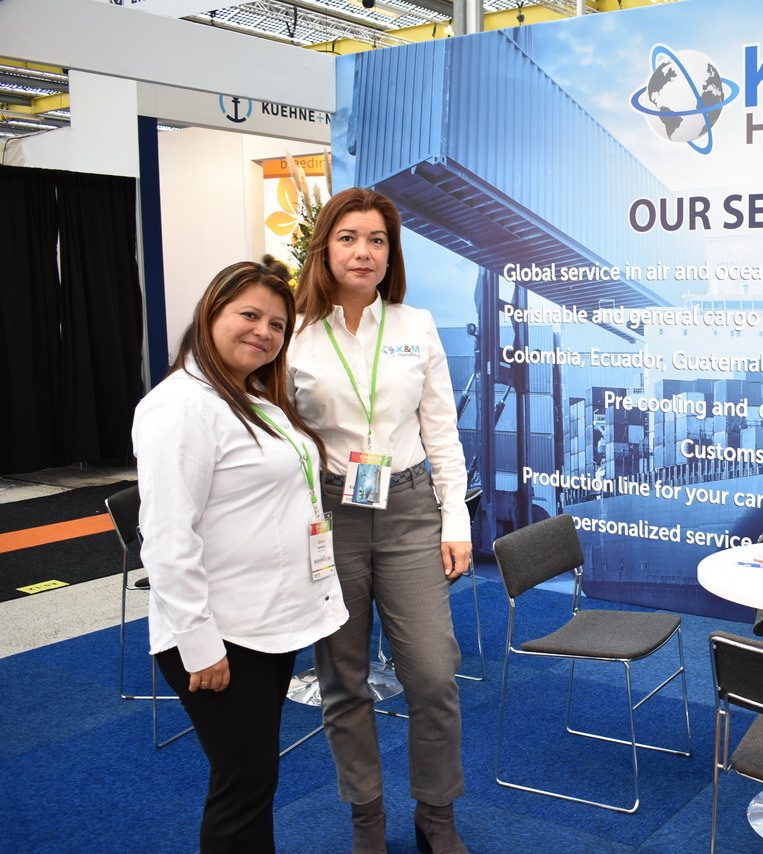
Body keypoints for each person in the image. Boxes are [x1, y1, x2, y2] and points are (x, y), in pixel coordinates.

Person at [133, 261, 348, 853]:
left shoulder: (248, 396)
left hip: (264, 622)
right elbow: (168, 539)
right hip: (220, 634)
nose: (264, 332)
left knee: (254, 778)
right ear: (211, 313)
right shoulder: (181, 407)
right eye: (249, 315)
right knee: (243, 785)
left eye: (277, 325)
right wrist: (199, 643)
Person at [289, 187, 471, 854]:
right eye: (348, 237)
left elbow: (442, 430)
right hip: (329, 514)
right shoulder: (294, 334)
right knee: (343, 677)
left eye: (377, 240)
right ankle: (367, 819)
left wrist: (456, 520)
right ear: (324, 248)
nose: (363, 251)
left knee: (433, 674)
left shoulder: (414, 325)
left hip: (410, 509)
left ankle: (436, 814)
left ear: (391, 254)